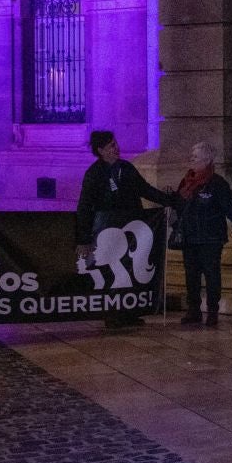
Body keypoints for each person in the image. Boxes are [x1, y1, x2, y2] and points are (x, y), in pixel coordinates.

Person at [75, 131, 174, 327]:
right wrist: (83, 238)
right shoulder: (94, 174)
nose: (116, 148)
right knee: (111, 271)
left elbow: (144, 190)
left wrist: (170, 200)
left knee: (128, 269)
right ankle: (112, 313)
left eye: (115, 143)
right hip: (108, 231)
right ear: (101, 150)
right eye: (111, 145)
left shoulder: (126, 168)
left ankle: (129, 311)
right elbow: (84, 206)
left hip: (130, 229)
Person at [174, 140, 232, 329]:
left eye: (195, 157)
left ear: (207, 160)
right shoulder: (186, 181)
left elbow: (230, 207)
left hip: (211, 238)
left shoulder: (217, 183)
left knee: (212, 275)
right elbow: (178, 204)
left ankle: (212, 311)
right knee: (191, 275)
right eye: (191, 156)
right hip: (190, 236)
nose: (191, 159)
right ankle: (193, 309)